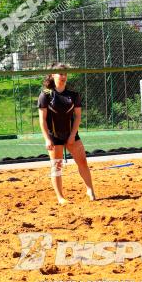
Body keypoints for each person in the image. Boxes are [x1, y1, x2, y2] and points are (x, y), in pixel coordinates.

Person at [38, 64, 95, 205]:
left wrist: (72, 135)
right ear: (52, 75)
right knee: (56, 165)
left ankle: (90, 190)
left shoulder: (73, 95)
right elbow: (42, 120)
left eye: (65, 73)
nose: (63, 76)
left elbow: (78, 117)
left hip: (71, 134)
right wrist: (47, 139)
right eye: (60, 73)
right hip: (54, 135)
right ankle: (60, 197)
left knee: (82, 161)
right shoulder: (46, 95)